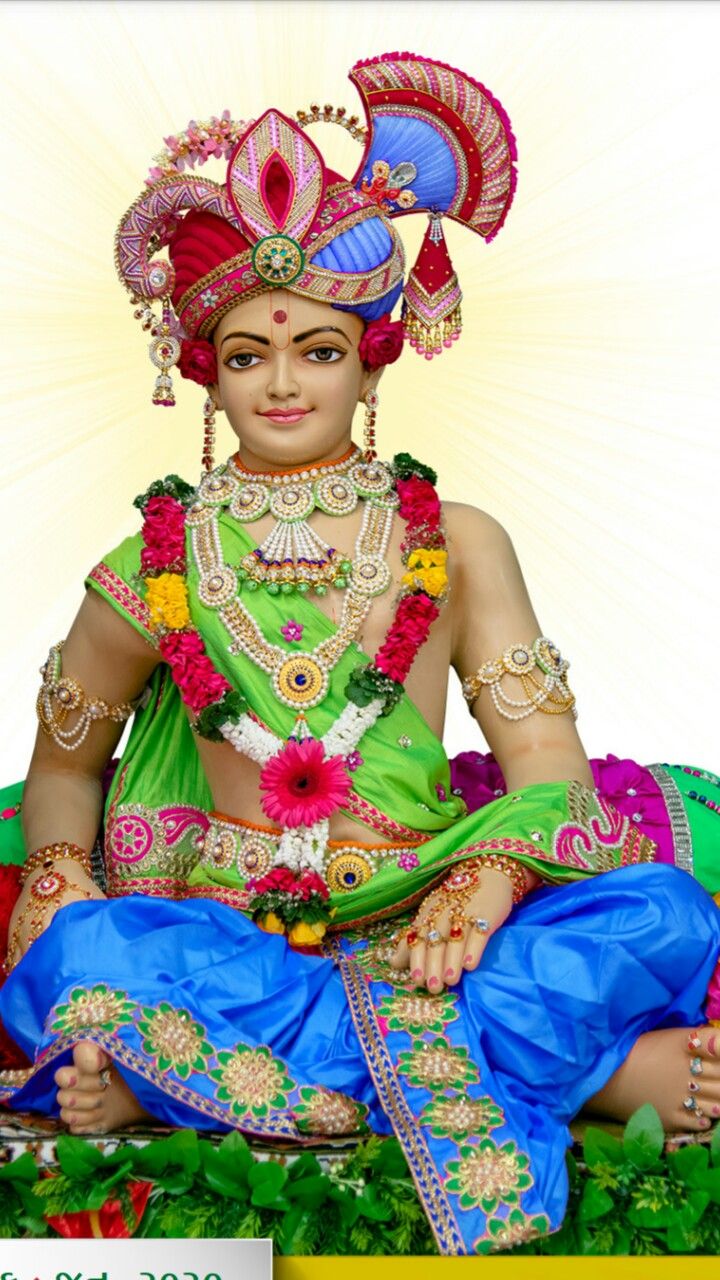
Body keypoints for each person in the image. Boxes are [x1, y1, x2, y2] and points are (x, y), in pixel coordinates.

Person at [1, 52, 720, 1256]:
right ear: (206, 372)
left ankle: (189, 1082)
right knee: (82, 948)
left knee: (659, 909)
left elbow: (550, 771)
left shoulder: (456, 540)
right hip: (229, 930)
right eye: (247, 355)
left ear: (375, 355)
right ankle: (591, 1078)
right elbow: (64, 771)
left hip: (433, 918)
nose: (282, 382)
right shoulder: (152, 560)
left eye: (318, 349)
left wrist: (478, 889)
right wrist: (62, 871)